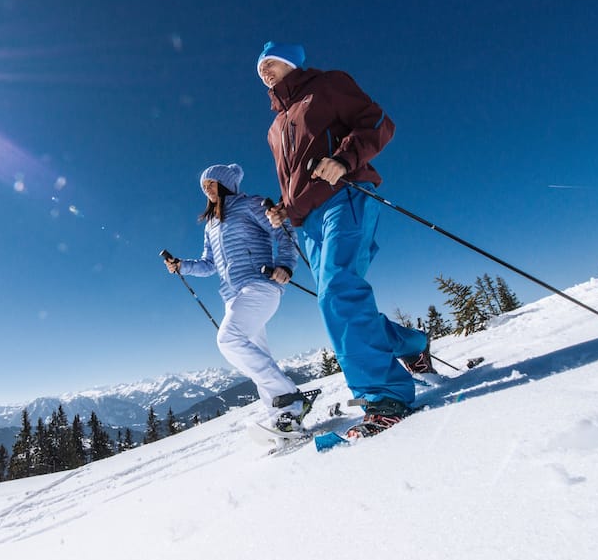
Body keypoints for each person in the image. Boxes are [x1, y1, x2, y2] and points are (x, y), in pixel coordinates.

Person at [256, 41, 432, 439]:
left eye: (272, 62)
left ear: (292, 62)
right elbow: (295, 178)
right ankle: (412, 344)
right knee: (336, 298)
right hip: (309, 221)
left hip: (344, 196)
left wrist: (344, 160)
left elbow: (378, 122)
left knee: (337, 291)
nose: (265, 70)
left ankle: (385, 397)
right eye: (260, 67)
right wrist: (284, 208)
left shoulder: (327, 85)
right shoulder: (274, 128)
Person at [164, 163, 314, 432]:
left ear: (225, 183)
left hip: (260, 285)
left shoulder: (250, 205)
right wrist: (182, 266)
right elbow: (209, 264)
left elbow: (284, 231)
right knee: (258, 357)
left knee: (228, 339)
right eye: (204, 186)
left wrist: (286, 265)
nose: (207, 189)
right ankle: (284, 419)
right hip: (233, 296)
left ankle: (291, 398)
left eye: (211, 183)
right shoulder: (211, 225)